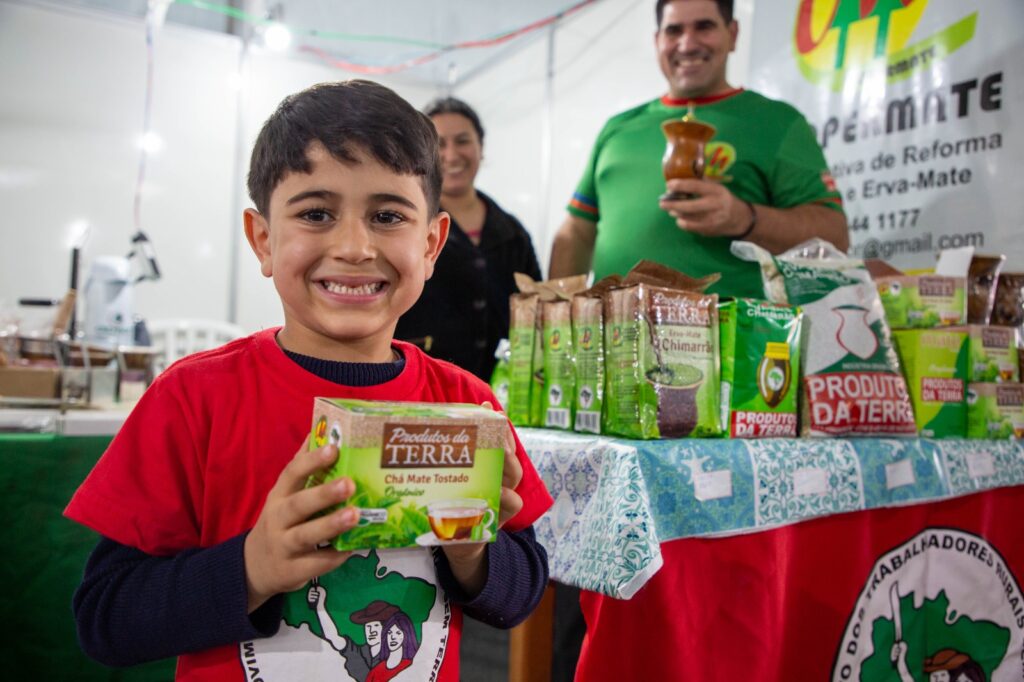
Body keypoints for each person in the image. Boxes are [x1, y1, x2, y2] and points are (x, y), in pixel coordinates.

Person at [64, 80, 552, 682]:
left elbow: (523, 592)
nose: (353, 246)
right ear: (263, 238)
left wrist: (473, 551)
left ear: (431, 245)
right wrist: (253, 567)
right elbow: (106, 618)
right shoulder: (193, 400)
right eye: (316, 214)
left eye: (387, 216)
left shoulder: (466, 404)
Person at [548, 0, 849, 299]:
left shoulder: (777, 122)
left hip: (730, 342)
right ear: (657, 41)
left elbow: (834, 239)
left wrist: (744, 218)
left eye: (704, 27)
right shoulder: (616, 129)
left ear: (733, 35)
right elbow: (576, 232)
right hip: (613, 340)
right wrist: (555, 317)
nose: (687, 44)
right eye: (674, 30)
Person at [395, 97, 542, 381]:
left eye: (462, 141)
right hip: (420, 384)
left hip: (500, 390)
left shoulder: (512, 232)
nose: (451, 155)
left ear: (481, 148)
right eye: (439, 144)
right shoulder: (405, 223)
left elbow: (535, 309)